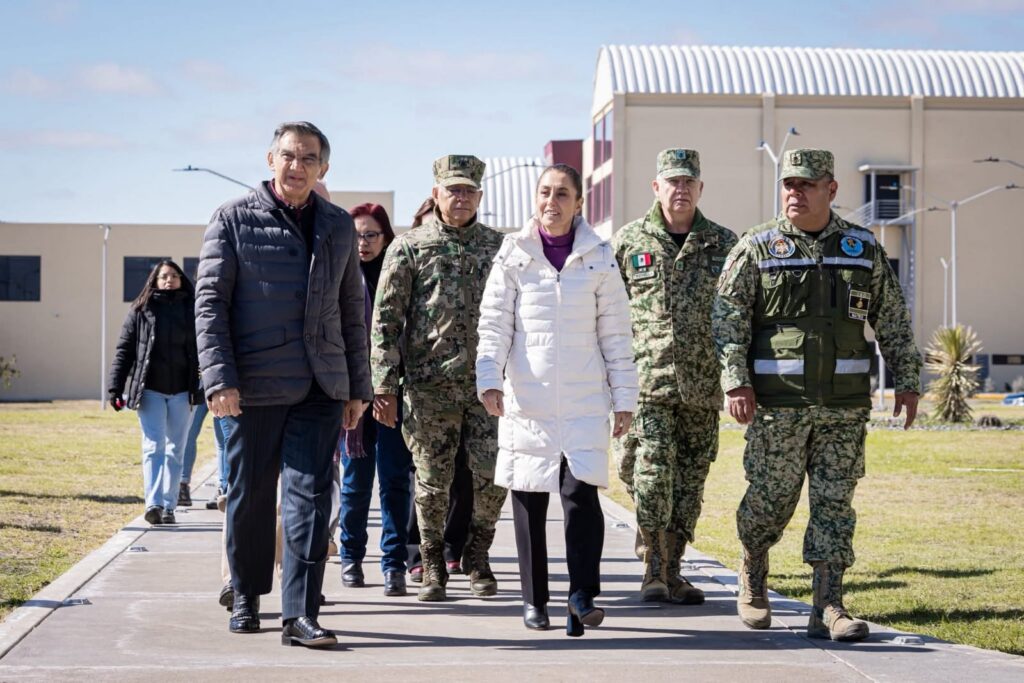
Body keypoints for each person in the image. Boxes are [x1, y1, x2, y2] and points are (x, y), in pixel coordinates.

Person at [713, 148, 922, 642]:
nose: (795, 193)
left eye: (806, 185)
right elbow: (727, 321)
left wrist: (908, 380)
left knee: (834, 505)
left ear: (831, 189)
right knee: (770, 500)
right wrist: (734, 381)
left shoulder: (861, 248)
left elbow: (890, 317)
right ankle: (754, 571)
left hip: (843, 408)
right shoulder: (757, 248)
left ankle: (827, 605)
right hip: (777, 406)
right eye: (789, 184)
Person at [195, 121, 371, 648]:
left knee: (310, 498)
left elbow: (350, 311)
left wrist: (357, 387)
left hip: (321, 386)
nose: (297, 166)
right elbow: (210, 306)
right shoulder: (231, 219)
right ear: (270, 159)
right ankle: (247, 595)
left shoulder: (338, 225)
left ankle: (300, 613)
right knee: (250, 496)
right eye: (289, 156)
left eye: (309, 158)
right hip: (252, 387)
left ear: (324, 168)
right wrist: (219, 379)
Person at [476, 164, 638, 636]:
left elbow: (616, 334)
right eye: (545, 192)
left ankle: (582, 595)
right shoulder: (514, 254)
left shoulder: (599, 257)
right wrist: (489, 378)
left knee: (580, 496)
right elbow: (493, 324)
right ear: (535, 198)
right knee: (527, 499)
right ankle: (534, 600)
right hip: (527, 399)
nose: (552, 201)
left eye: (562, 193)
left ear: (579, 202)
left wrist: (623, 397)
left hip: (585, 399)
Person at [371, 155, 508, 602]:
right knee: (432, 483)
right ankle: (431, 565)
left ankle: (479, 557)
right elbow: (386, 322)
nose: (461, 197)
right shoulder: (409, 247)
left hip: (488, 389)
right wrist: (385, 387)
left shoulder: (501, 248)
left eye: (469, 190)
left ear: (480, 196)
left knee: (491, 479)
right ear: (436, 194)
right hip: (429, 390)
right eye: (453, 190)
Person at [611, 149, 738, 604]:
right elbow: (607, 315)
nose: (680, 190)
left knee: (689, 483)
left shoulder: (725, 244)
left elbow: (739, 314)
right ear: (656, 187)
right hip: (647, 385)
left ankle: (674, 568)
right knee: (649, 477)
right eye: (672, 182)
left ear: (700, 189)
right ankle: (653, 568)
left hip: (702, 389)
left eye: (689, 182)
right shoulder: (629, 242)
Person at [337, 202, 414, 597]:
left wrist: (389, 390)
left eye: (370, 235)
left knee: (395, 482)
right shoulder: (340, 276)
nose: (362, 243)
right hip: (353, 397)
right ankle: (350, 556)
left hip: (392, 396)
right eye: (355, 236)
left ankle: (393, 563)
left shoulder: (398, 276)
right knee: (354, 483)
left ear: (386, 238)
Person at [403, 196, 474, 583]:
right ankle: (417, 551)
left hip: (476, 387)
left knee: (466, 474)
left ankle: (453, 548)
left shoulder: (483, 249)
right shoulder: (411, 252)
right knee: (426, 476)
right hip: (425, 386)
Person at [108, 260, 202, 526]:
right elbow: (124, 351)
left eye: (173, 275)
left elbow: (206, 348)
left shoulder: (193, 310)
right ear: (155, 280)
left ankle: (169, 506)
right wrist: (115, 387)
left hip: (183, 392)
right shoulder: (141, 310)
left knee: (175, 449)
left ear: (182, 279)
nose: (169, 280)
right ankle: (154, 504)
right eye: (163, 276)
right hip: (149, 391)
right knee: (153, 447)